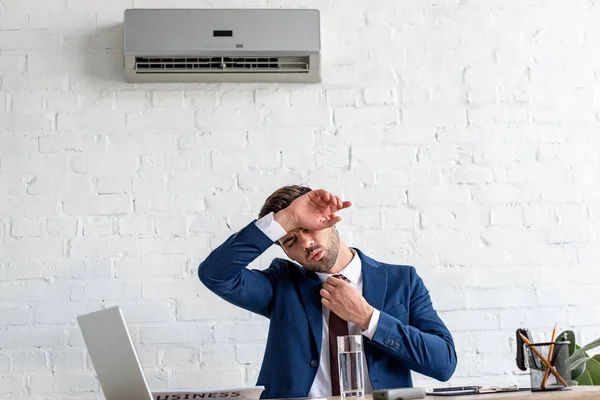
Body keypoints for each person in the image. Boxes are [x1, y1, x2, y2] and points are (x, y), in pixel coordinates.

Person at [198, 186, 457, 399]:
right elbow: (214, 274)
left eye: (309, 229)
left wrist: (368, 318)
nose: (306, 243)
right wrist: (285, 220)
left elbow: (443, 363)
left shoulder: (402, 281)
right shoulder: (281, 284)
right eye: (290, 240)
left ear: (330, 220)